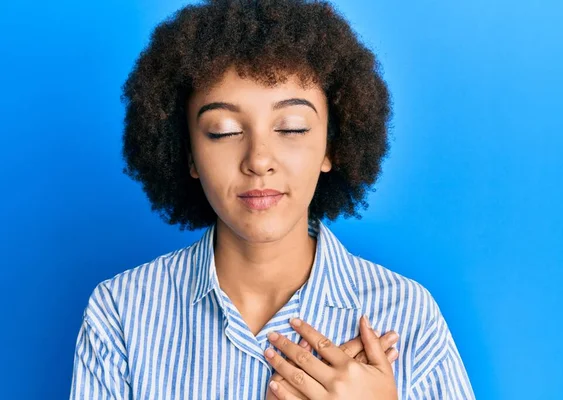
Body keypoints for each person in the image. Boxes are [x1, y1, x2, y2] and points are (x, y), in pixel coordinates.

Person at [69, 0, 475, 399]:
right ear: (187, 152)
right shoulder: (121, 313)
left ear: (331, 146)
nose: (259, 160)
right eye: (224, 130)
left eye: (293, 128)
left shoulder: (407, 315)